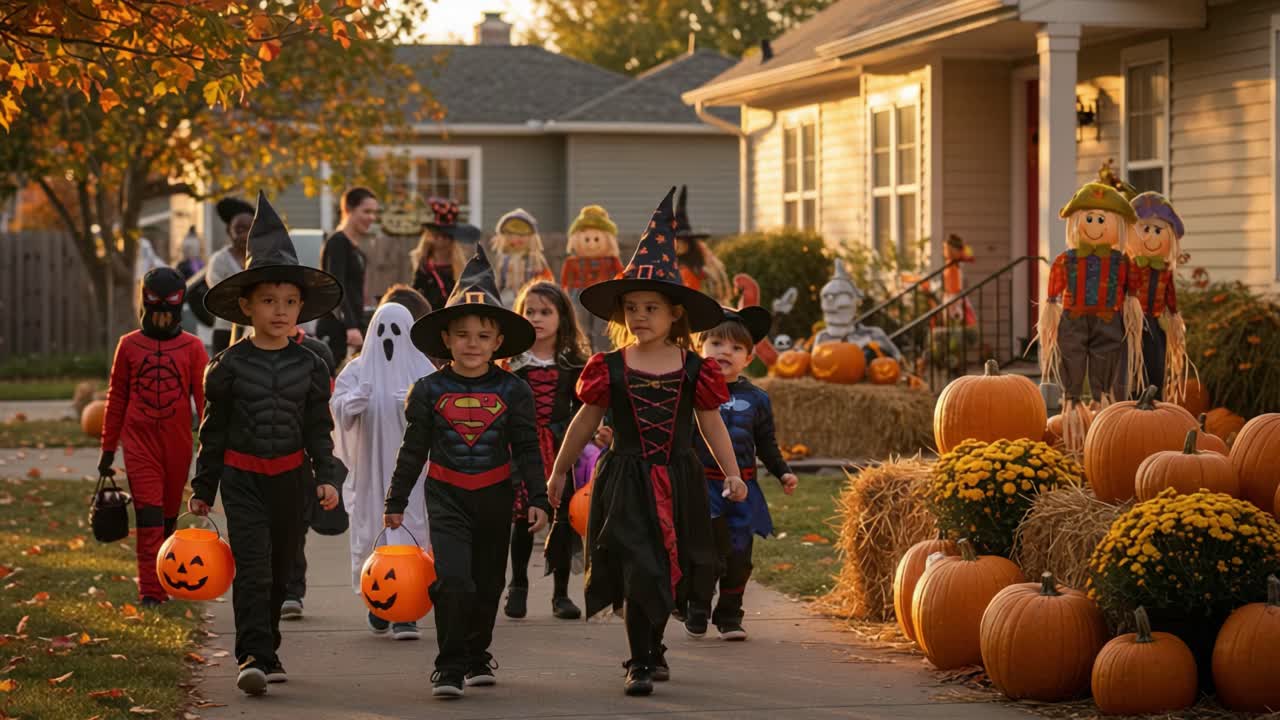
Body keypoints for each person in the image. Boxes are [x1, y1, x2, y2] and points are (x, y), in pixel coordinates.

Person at [546, 188, 747, 697]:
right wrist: (559, 471)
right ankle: (639, 659)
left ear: (675, 313)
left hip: (677, 477)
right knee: (637, 567)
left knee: (669, 568)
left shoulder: (694, 370)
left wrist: (732, 472)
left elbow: (711, 424)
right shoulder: (608, 368)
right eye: (631, 307)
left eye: (651, 307)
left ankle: (655, 647)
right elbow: (584, 423)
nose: (639, 316)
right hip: (626, 479)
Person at [191, 192, 345, 696]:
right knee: (252, 567)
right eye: (268, 301)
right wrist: (203, 484)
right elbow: (213, 429)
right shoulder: (227, 367)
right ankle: (253, 654)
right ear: (246, 305)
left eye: (289, 301)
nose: (280, 311)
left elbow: (318, 429)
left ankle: (270, 644)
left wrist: (327, 476)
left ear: (301, 306)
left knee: (281, 573)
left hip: (292, 477)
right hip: (242, 477)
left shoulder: (313, 364)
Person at [384, 245, 549, 700]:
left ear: (498, 341)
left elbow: (528, 448)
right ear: (447, 341)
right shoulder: (428, 390)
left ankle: (478, 653)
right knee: (453, 580)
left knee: (488, 582)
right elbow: (412, 449)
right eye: (462, 334)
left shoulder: (514, 391)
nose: (472, 343)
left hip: (496, 494)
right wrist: (395, 500)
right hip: (447, 494)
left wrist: (538, 497)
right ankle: (450, 665)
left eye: (482, 335)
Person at [97, 267, 209, 606]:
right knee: (148, 518)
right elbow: (116, 398)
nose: (161, 319)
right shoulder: (129, 346)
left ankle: (166, 580)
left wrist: (209, 447)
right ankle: (150, 591)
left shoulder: (192, 348)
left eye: (168, 311)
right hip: (139, 442)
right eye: (155, 311)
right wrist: (107, 449)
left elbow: (205, 402)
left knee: (167, 520)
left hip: (176, 445)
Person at [687, 306, 798, 641]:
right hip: (701, 485)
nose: (725, 352)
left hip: (743, 489)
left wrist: (782, 472)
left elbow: (766, 442)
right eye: (717, 343)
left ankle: (730, 614)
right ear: (700, 348)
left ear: (749, 359)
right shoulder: (690, 392)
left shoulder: (757, 398)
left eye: (736, 348)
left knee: (739, 555)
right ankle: (697, 605)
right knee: (705, 553)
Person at [332, 300, 434, 639]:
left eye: (396, 331)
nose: (389, 338)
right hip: (370, 470)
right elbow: (337, 410)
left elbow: (440, 413)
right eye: (382, 330)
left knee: (411, 531)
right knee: (371, 530)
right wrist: (352, 403)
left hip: (413, 476)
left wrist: (414, 405)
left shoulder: (423, 371)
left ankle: (407, 609)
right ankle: (378, 601)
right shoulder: (357, 370)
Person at [501, 280, 590, 621]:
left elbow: (587, 407)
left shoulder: (573, 363)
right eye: (529, 311)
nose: (536, 318)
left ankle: (561, 594)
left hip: (561, 447)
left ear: (562, 318)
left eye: (545, 312)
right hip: (521, 448)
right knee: (523, 516)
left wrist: (596, 433)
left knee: (562, 518)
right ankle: (519, 584)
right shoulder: (511, 363)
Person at [279, 323, 338, 622]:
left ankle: (292, 591)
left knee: (295, 528)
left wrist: (326, 468)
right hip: (255, 458)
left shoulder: (317, 353)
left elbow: (324, 413)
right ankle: (267, 590)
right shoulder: (239, 356)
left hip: (300, 457)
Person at [319, 187, 378, 367]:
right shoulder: (337, 243)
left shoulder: (357, 249)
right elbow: (336, 287)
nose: (372, 218)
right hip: (337, 329)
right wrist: (350, 326)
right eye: (366, 211)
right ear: (348, 210)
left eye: (374, 213)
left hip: (353, 329)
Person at [206, 197, 255, 354]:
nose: (245, 235)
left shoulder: (263, 258)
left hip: (257, 332)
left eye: (250, 229)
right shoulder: (219, 261)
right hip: (226, 330)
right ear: (229, 231)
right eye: (239, 229)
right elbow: (219, 294)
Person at [411, 198, 479, 311]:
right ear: (430, 236)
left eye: (446, 236)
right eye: (437, 235)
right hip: (428, 315)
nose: (441, 239)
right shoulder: (424, 263)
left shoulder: (460, 266)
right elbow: (416, 292)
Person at [491, 209, 553, 306]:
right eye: (510, 234)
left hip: (532, 299)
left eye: (521, 235)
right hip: (507, 301)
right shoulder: (503, 260)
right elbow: (498, 282)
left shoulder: (535, 260)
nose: (515, 239)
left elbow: (547, 280)